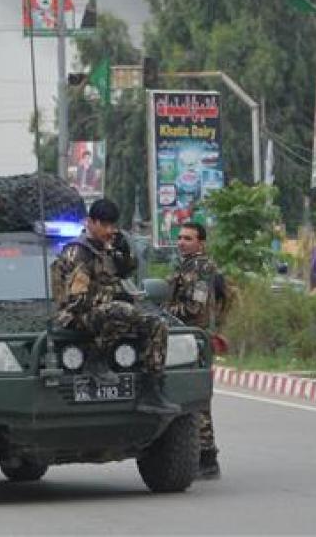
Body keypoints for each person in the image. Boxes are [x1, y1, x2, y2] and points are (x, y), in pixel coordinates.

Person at [50, 199, 179, 416]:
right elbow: (77, 301)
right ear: (91, 222)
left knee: (156, 324)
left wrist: (123, 251)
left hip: (106, 313)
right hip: (76, 316)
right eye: (105, 225)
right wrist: (115, 296)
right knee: (122, 310)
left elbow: (125, 272)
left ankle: (151, 390)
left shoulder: (106, 249)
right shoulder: (78, 253)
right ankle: (96, 360)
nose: (110, 231)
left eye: (113, 225)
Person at [164, 221, 224, 479]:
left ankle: (207, 457)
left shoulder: (202, 268)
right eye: (180, 238)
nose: (182, 242)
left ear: (201, 243)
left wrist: (162, 312)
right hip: (181, 338)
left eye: (188, 238)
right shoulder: (185, 265)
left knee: (195, 398)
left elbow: (194, 308)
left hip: (193, 340)